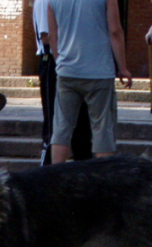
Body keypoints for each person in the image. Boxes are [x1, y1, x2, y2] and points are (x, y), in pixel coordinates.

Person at [48, 0, 133, 164]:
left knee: (62, 127)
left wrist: (60, 61)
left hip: (67, 71)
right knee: (102, 128)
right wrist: (122, 67)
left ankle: (54, 175)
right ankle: (105, 177)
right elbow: (115, 31)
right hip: (99, 72)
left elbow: (53, 35)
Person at [33, 0, 91, 165]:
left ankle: (84, 167)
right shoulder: (45, 2)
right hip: (53, 60)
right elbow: (46, 36)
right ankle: (49, 170)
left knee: (81, 124)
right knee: (54, 123)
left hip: (72, 63)